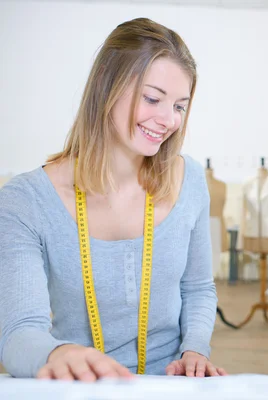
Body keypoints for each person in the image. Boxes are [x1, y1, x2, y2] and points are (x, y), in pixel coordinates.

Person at [0, 18, 227, 380]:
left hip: (168, 385)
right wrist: (58, 353)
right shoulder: (25, 202)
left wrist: (195, 349)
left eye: (180, 106)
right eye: (153, 98)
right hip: (78, 385)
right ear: (107, 82)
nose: (168, 120)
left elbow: (198, 287)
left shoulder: (190, 180)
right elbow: (17, 334)